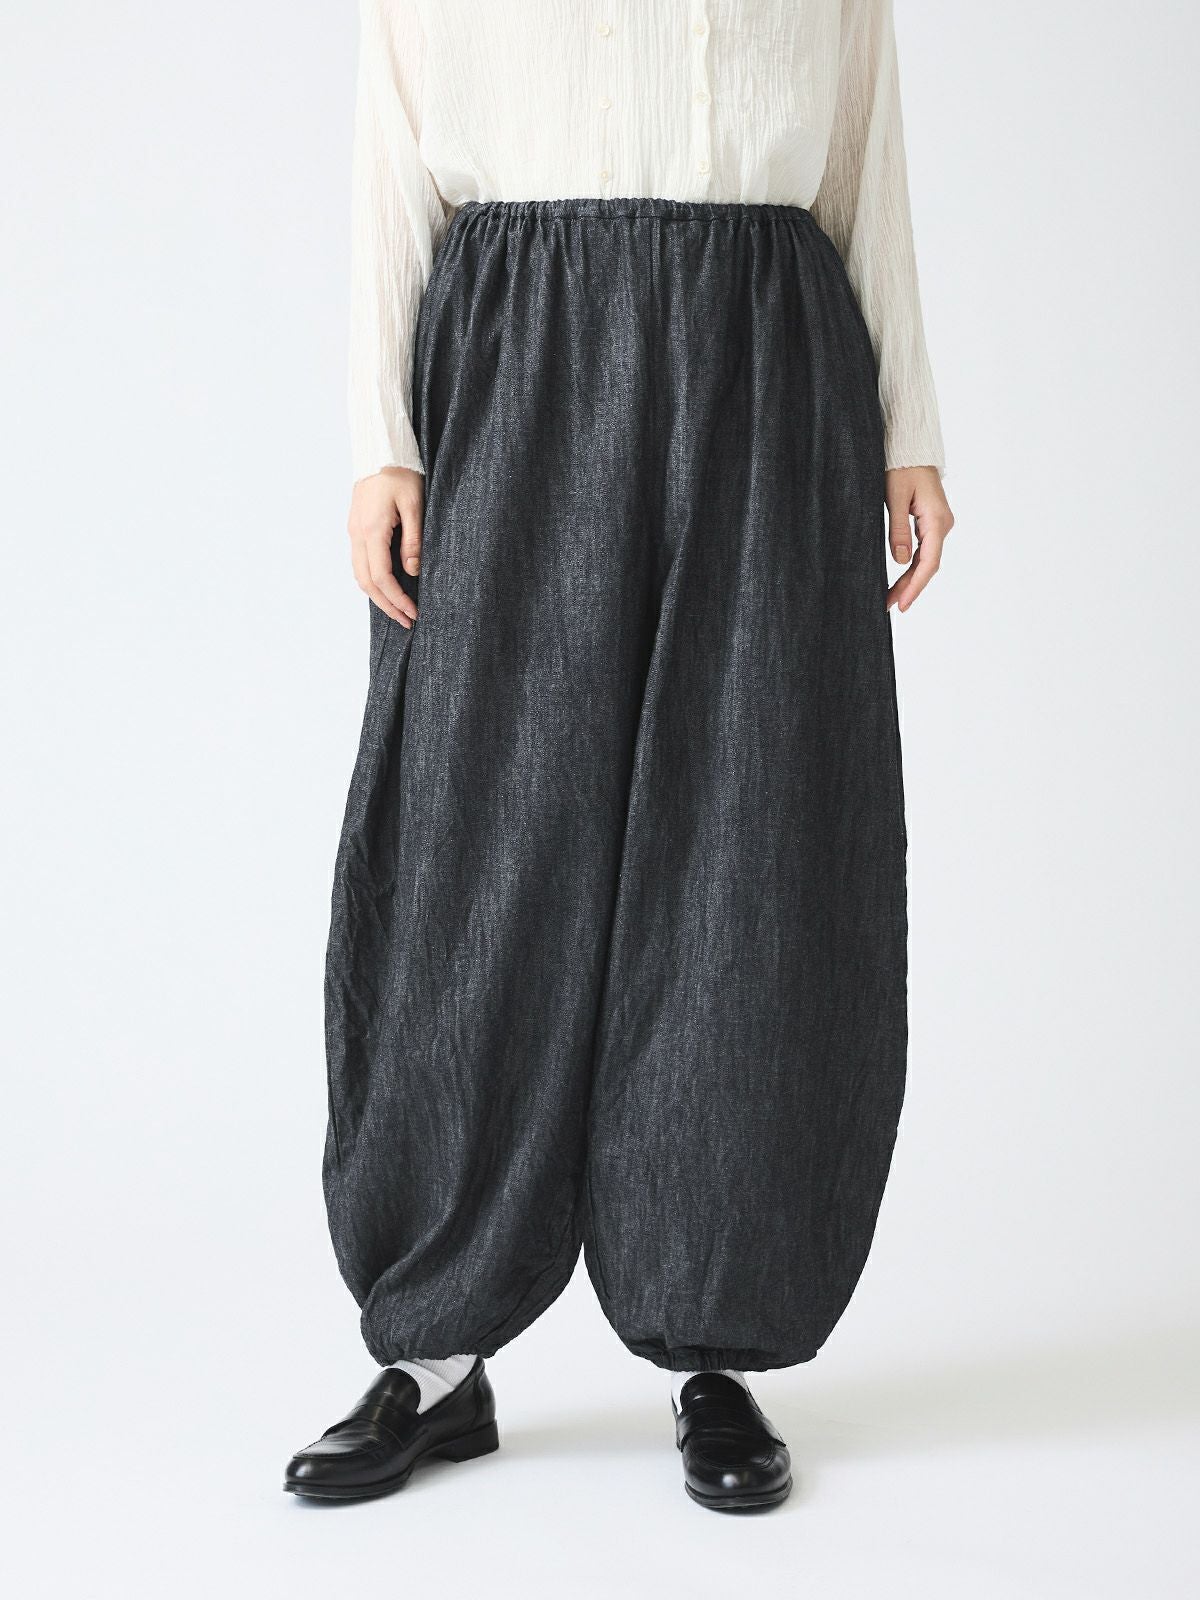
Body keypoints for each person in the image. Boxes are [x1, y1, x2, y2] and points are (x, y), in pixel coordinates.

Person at [285, 0, 954, 1514]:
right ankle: (435, 1350)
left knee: (748, 837)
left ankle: (718, 1348)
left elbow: (866, 159)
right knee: (480, 844)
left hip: (771, 349)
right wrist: (380, 439)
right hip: (516, 344)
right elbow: (393, 160)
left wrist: (908, 420)